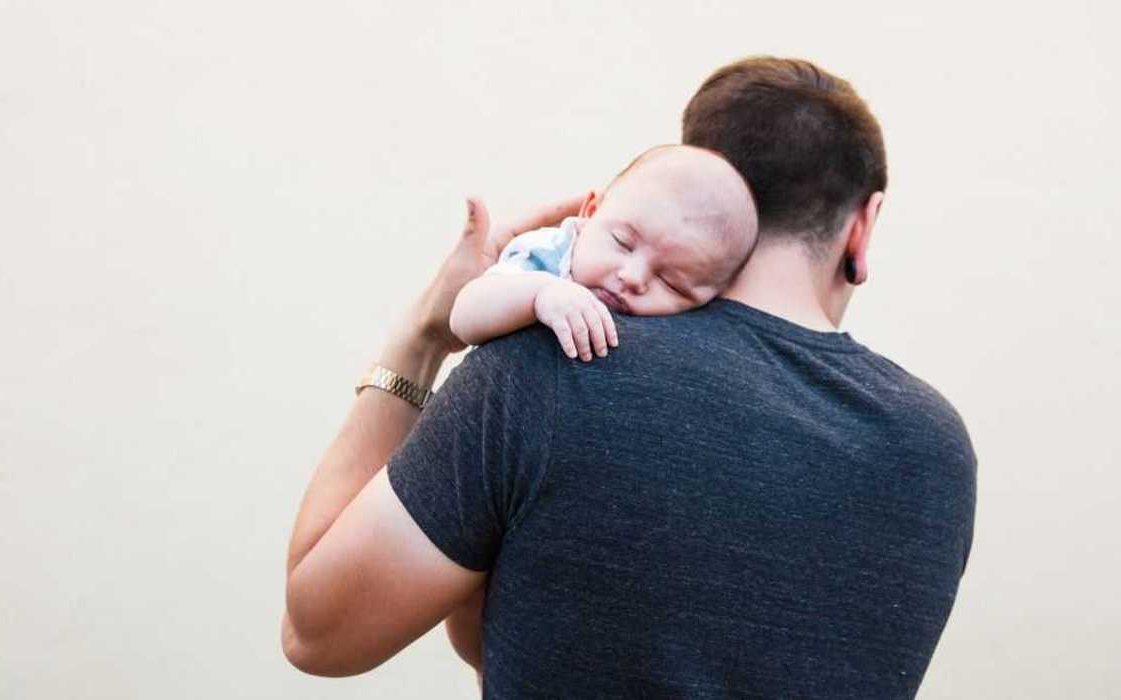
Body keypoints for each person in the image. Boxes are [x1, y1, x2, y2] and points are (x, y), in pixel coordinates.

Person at [282, 56, 977, 699]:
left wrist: (424, 336)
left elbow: (318, 634)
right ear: (863, 226)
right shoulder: (933, 448)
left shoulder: (552, 363)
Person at [450, 144, 758, 361]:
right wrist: (540, 295)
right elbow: (463, 318)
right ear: (591, 212)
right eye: (623, 242)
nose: (633, 277)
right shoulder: (548, 255)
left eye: (671, 282)